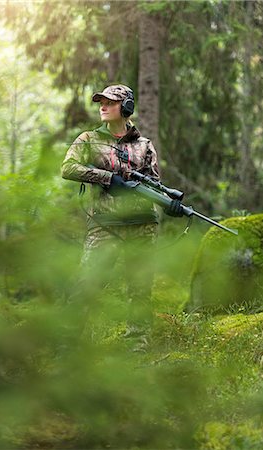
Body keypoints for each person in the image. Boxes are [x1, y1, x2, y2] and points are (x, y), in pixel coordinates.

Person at [61, 84, 182, 348]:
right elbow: (68, 168)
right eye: (101, 101)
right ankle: (67, 346)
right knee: (87, 284)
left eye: (110, 102)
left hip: (142, 226)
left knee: (140, 288)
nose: (103, 106)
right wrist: (108, 178)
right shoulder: (88, 140)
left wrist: (168, 205)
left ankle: (138, 344)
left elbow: (153, 185)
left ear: (126, 107)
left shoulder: (144, 146)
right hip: (104, 225)